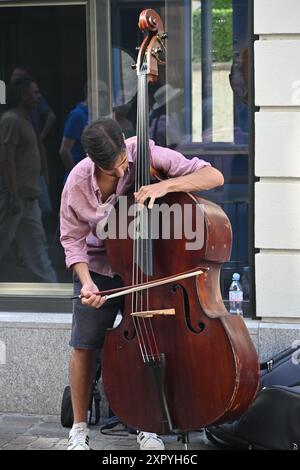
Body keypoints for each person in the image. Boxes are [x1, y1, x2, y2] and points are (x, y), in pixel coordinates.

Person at [60, 117, 224, 450]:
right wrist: (87, 283)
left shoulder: (144, 153)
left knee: (150, 341)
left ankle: (146, 424)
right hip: (100, 267)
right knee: (84, 345)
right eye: (111, 170)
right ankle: (78, 429)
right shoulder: (77, 182)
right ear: (94, 163)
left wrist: (166, 186)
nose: (122, 174)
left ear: (125, 147)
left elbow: (213, 175)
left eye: (123, 164)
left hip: (147, 268)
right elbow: (72, 239)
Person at [0, 76, 57, 282]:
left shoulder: (24, 121)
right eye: (35, 93)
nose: (38, 97)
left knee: (37, 249)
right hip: (14, 199)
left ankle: (53, 290)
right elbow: (7, 160)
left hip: (28, 198)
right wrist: (13, 195)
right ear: (23, 95)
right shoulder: (11, 121)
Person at [59, 84, 89, 181]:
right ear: (90, 93)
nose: (105, 98)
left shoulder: (99, 113)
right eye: (101, 94)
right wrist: (77, 178)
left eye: (106, 94)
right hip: (78, 181)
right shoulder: (77, 115)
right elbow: (64, 150)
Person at [149, 83, 183, 148]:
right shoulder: (163, 121)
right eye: (174, 100)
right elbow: (176, 141)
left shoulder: (172, 117)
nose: (177, 102)